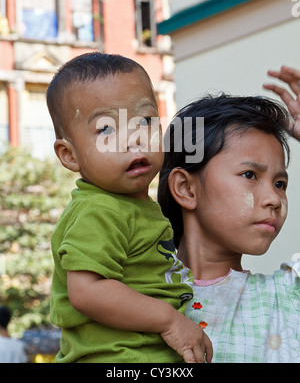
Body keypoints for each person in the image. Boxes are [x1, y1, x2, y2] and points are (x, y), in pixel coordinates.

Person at [46, 52, 212, 363]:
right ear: (70, 155)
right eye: (107, 129)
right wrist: (170, 320)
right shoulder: (100, 210)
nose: (134, 139)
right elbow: (87, 291)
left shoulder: (133, 207)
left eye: (145, 122)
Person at [158, 65, 300, 363]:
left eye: (280, 183)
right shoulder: (128, 299)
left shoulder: (288, 298)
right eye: (249, 174)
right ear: (186, 188)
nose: (274, 198)